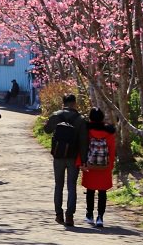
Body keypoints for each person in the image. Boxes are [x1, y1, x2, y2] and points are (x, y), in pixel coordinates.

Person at [43, 95, 89, 226]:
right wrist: (84, 160)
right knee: (71, 186)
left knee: (58, 185)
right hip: (73, 156)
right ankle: (69, 216)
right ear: (74, 103)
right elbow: (84, 142)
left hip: (58, 155)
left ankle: (58, 214)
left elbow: (47, 130)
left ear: (63, 103)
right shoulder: (80, 119)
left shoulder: (56, 115)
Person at [81, 108, 116, 228]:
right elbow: (111, 150)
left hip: (90, 165)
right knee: (102, 192)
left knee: (90, 191)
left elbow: (83, 148)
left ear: (90, 117)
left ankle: (89, 215)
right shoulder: (109, 132)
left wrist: (82, 163)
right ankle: (100, 217)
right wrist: (110, 165)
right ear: (102, 117)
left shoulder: (87, 130)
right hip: (104, 166)